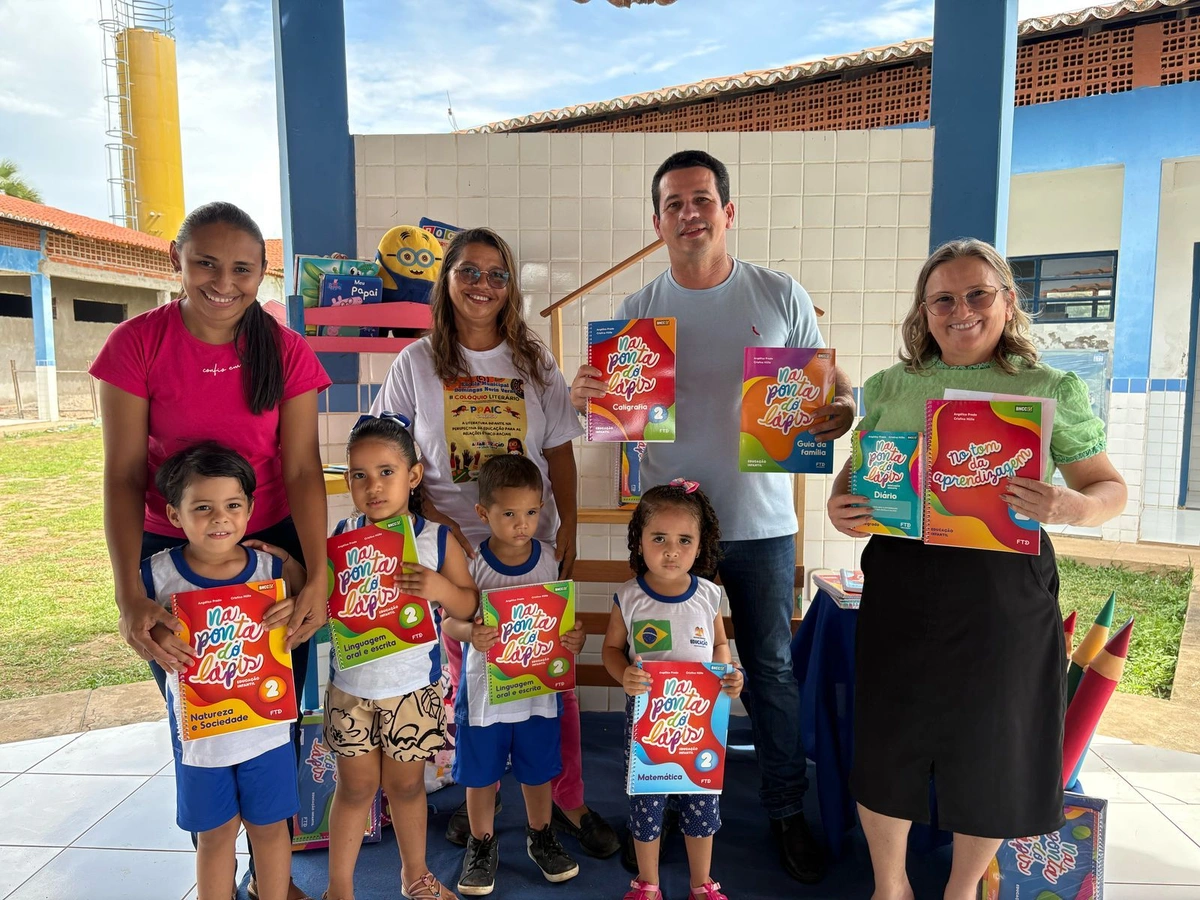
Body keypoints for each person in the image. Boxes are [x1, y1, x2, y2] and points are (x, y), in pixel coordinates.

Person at [571, 150, 852, 883]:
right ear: (657, 219)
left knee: (768, 671)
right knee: (663, 667)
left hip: (759, 522)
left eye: (702, 200)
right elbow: (614, 413)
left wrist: (841, 408)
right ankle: (662, 800)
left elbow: (827, 383)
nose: (689, 214)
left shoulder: (778, 292)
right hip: (673, 532)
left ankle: (786, 810)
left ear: (728, 212)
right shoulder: (637, 312)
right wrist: (587, 397)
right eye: (673, 203)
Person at [825, 239, 1127, 900]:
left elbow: (1110, 490)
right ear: (924, 312)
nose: (961, 310)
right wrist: (842, 507)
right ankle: (890, 886)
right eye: (944, 299)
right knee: (888, 743)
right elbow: (856, 481)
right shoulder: (889, 387)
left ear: (1008, 301)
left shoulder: (1051, 388)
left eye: (977, 294)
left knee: (993, 749)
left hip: (1003, 595)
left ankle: (961, 890)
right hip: (905, 587)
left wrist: (1072, 504)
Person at [91, 200, 330, 900]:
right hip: (173, 555)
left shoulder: (284, 349)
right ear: (176, 258)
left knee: (268, 716)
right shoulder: (137, 345)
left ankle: (271, 876)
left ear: (263, 274)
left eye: (243, 269)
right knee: (201, 717)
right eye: (206, 263)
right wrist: (131, 594)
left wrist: (314, 575)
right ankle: (215, 874)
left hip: (273, 558)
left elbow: (301, 470)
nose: (223, 281)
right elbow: (124, 475)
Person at [372, 227, 620, 859]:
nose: (483, 285)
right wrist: (434, 525)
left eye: (496, 274)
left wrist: (569, 529)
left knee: (549, 678)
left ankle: (566, 799)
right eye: (469, 272)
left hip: (531, 546)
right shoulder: (416, 362)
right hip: (456, 548)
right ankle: (483, 797)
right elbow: (394, 451)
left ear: (510, 287)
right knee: (468, 675)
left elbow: (560, 450)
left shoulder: (533, 360)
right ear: (447, 281)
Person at [324, 414, 479, 900]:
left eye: (387, 471)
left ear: (413, 476)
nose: (373, 486)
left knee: (407, 788)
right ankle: (339, 889)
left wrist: (438, 587)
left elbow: (471, 604)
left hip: (412, 689)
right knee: (354, 790)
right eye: (360, 475)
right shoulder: (339, 537)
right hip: (352, 690)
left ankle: (416, 875)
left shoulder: (435, 538)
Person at [141, 443, 302, 900]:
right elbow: (136, 632)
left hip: (265, 733)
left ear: (250, 508)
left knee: (270, 830)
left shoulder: (273, 568)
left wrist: (293, 592)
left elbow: (312, 606)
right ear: (174, 515)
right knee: (215, 837)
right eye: (203, 508)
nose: (219, 519)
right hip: (202, 740)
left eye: (232, 505)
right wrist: (154, 639)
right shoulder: (155, 576)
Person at [445, 454, 587, 895]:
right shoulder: (471, 564)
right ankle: (481, 842)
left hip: (537, 693)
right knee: (482, 773)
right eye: (509, 514)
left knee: (537, 769)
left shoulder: (549, 560)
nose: (522, 524)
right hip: (485, 691)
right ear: (483, 513)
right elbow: (448, 622)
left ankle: (540, 834)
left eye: (530, 513)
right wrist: (471, 632)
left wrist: (574, 639)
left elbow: (563, 623)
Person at [602, 480, 744, 900]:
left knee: (702, 804)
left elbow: (720, 645)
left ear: (700, 546)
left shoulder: (708, 595)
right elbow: (611, 649)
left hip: (701, 726)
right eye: (659, 538)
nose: (671, 550)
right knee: (647, 805)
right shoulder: (630, 597)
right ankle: (648, 883)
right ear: (639, 540)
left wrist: (730, 671)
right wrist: (623, 673)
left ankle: (702, 883)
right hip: (647, 726)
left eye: (684, 540)